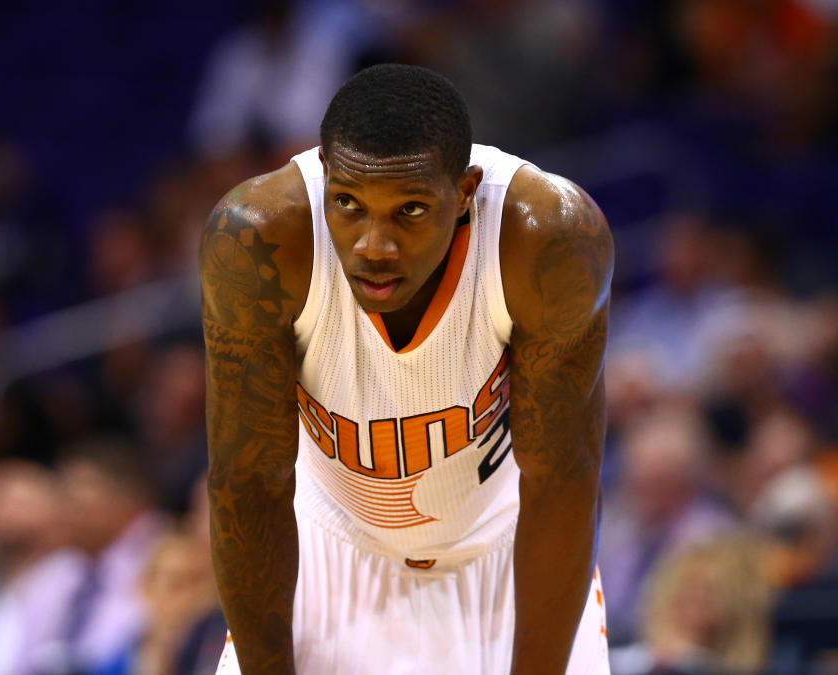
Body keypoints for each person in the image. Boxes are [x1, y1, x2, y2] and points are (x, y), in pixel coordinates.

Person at [199, 64, 613, 674]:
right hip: (322, 552)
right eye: (348, 204)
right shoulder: (259, 239)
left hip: (508, 557)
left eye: (410, 210)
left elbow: (564, 479)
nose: (374, 245)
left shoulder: (549, 240)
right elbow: (249, 481)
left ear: (466, 191)